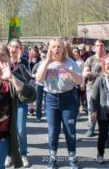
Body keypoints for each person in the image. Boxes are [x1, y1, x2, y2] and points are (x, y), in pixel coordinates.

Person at [36, 38, 83, 169]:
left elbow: (79, 81)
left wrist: (69, 71)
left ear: (63, 49)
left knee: (70, 131)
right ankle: (52, 158)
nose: (56, 49)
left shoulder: (71, 63)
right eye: (54, 47)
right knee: (53, 131)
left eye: (59, 47)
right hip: (51, 99)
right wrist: (47, 63)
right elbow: (38, 79)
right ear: (50, 49)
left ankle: (72, 158)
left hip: (69, 99)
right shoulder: (45, 63)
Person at [5, 39, 32, 168]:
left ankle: (23, 155)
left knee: (20, 129)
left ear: (20, 49)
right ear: (8, 48)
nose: (14, 49)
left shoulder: (24, 63)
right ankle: (9, 155)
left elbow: (27, 79)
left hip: (21, 100)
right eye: (12, 46)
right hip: (6, 100)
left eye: (17, 47)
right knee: (8, 129)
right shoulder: (4, 62)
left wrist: (20, 62)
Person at [83, 40, 106, 137]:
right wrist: (96, 74)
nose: (99, 47)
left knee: (104, 108)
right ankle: (91, 127)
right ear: (94, 47)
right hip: (91, 87)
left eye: (101, 45)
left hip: (105, 88)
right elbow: (84, 73)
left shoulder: (108, 59)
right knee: (91, 108)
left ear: (104, 47)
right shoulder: (90, 59)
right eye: (97, 45)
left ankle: (103, 128)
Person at [31, 50, 47, 121]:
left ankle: (48, 115)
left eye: (46, 56)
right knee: (38, 101)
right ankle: (38, 115)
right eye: (43, 56)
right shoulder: (37, 65)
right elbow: (32, 74)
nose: (44, 58)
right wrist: (36, 77)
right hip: (39, 85)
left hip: (48, 85)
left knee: (47, 101)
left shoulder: (50, 64)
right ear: (40, 56)